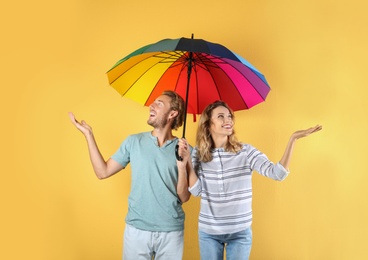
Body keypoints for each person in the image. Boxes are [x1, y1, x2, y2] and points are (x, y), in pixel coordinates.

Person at [178, 100, 322, 260]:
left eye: (229, 116)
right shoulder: (198, 153)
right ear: (208, 124)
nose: (228, 120)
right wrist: (188, 162)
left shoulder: (245, 151)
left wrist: (293, 139)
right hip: (209, 233)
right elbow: (197, 191)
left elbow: (277, 174)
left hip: (240, 232)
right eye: (220, 116)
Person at [69, 90, 191, 260]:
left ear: (172, 113)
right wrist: (88, 135)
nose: (151, 106)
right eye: (153, 102)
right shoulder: (134, 142)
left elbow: (184, 197)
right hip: (137, 230)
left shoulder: (185, 150)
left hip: (171, 231)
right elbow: (102, 172)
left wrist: (182, 165)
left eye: (159, 104)